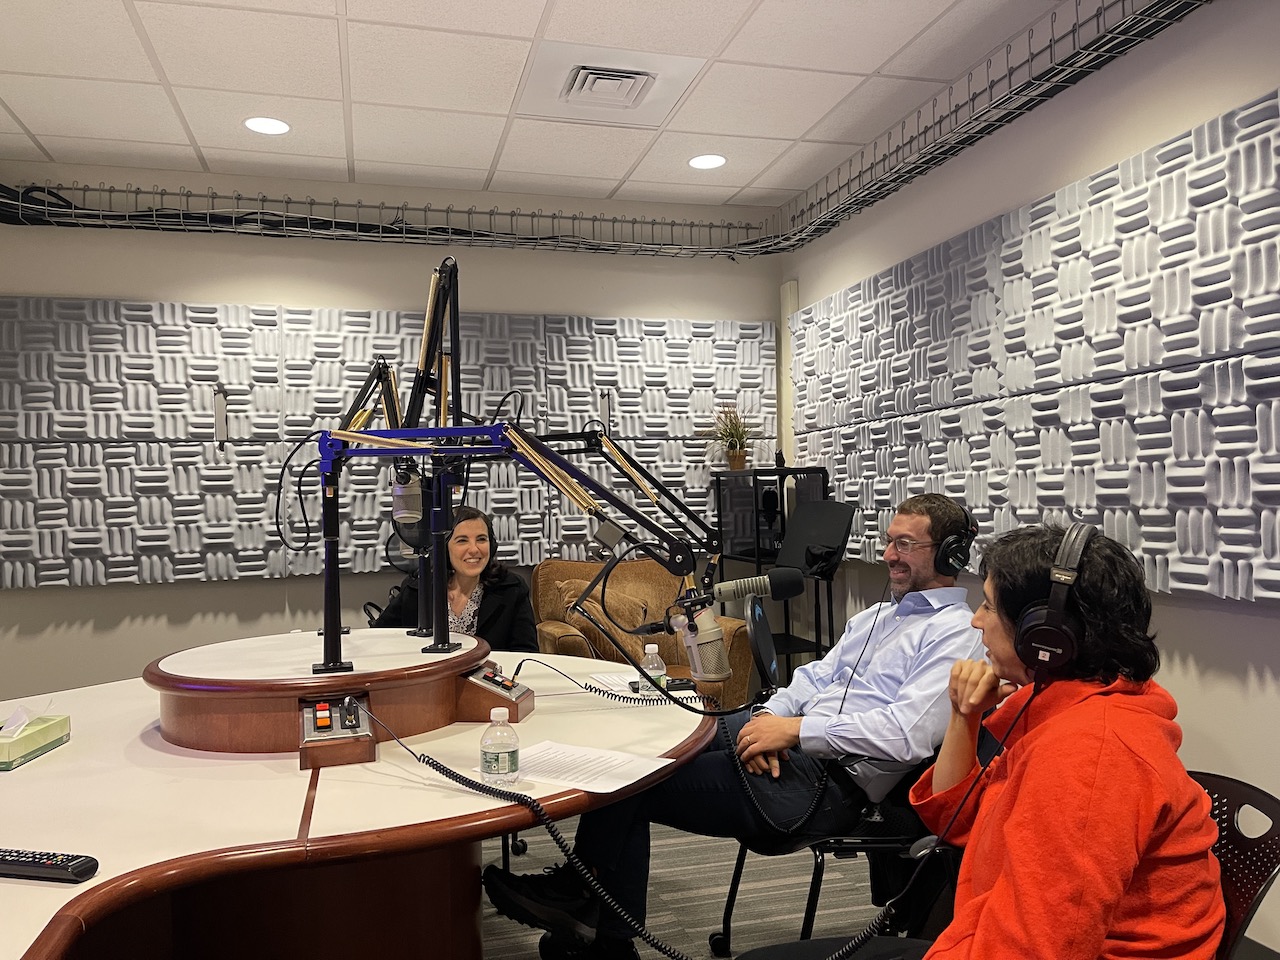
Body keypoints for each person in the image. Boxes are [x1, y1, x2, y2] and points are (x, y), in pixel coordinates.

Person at [483, 493, 984, 960]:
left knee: (632, 783)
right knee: (656, 737)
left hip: (827, 784)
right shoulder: (877, 616)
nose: (888, 554)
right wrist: (768, 718)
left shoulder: (956, 635)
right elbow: (813, 676)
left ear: (950, 556)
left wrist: (794, 733)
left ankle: (597, 925)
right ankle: (588, 906)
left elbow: (905, 735)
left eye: (904, 544)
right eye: (887, 540)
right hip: (789, 736)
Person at [903, 523, 1225, 959]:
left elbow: (1040, 948)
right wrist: (964, 716)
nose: (976, 620)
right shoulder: (1067, 711)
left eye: (988, 606)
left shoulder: (1088, 756)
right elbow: (957, 819)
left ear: (1045, 637)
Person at [372, 505, 538, 654]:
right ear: (443, 548)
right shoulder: (418, 588)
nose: (474, 549)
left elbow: (526, 653)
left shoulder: (512, 589)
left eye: (481, 539)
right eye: (462, 540)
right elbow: (379, 640)